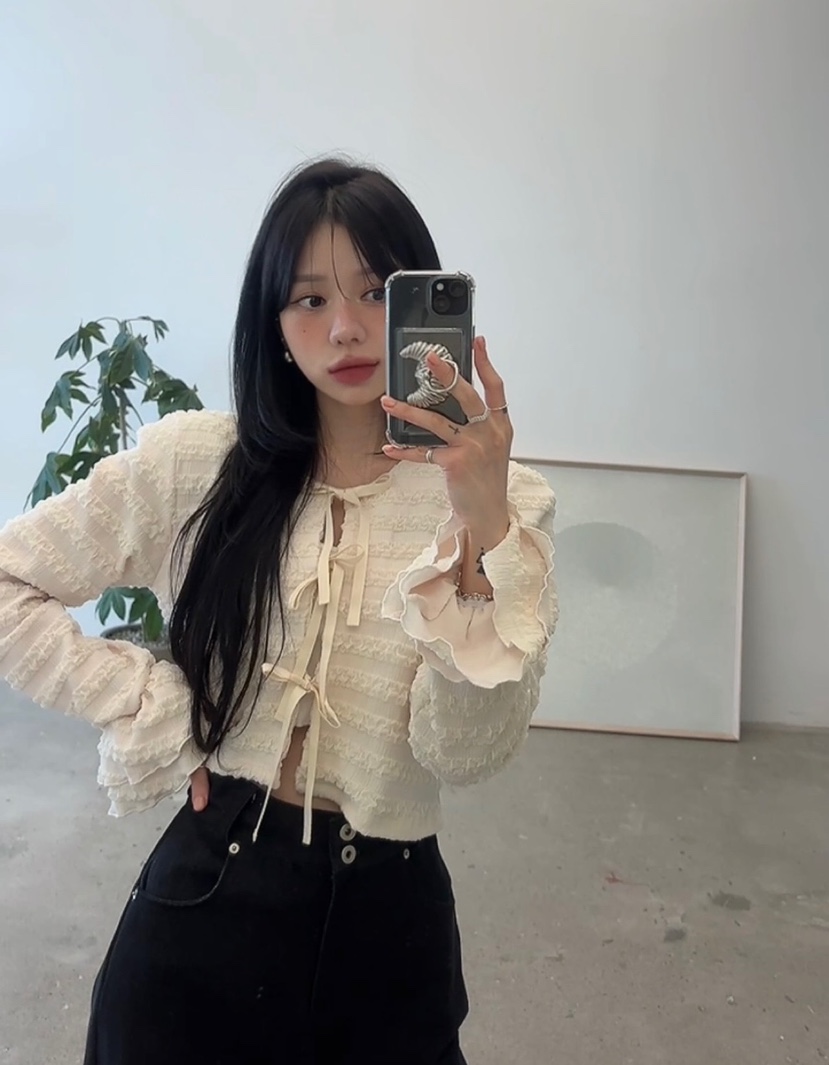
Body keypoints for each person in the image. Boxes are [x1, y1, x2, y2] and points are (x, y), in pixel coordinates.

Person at [0, 157, 557, 1065]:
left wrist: (481, 529)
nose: (345, 326)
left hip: (390, 924)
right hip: (203, 904)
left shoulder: (509, 506)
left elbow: (466, 750)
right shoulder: (199, 465)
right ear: (274, 325)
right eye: (308, 299)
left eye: (376, 291)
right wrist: (142, 699)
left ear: (426, 304)